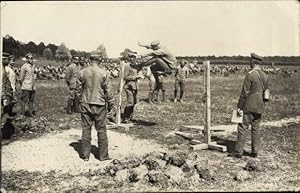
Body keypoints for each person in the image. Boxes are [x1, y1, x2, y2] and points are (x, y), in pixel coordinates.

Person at [229, 53, 269, 158]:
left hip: (248, 106)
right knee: (256, 128)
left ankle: (238, 151)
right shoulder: (265, 75)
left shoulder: (250, 74)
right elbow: (266, 92)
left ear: (253, 62)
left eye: (250, 61)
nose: (249, 63)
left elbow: (244, 93)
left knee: (242, 127)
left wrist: (239, 106)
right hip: (260, 106)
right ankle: (255, 151)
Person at [76, 53, 115, 161]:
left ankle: (85, 155)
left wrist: (80, 100)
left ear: (90, 60)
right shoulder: (104, 73)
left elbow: (78, 89)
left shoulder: (83, 72)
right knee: (101, 130)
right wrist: (111, 104)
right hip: (99, 103)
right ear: (100, 60)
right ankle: (103, 156)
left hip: (86, 102)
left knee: (86, 129)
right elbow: (108, 91)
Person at [1, 52, 14, 193]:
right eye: (5, 58)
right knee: (2, 120)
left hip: (6, 97)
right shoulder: (3, 70)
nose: (8, 60)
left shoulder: (5, 69)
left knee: (4, 119)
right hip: (3, 98)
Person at [122, 53, 144, 123]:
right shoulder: (127, 66)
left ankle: (130, 116)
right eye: (131, 57)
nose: (133, 59)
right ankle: (126, 117)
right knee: (130, 102)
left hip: (135, 86)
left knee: (134, 102)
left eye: (134, 57)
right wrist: (135, 77)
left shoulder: (135, 66)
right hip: (129, 86)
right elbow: (125, 77)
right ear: (129, 58)